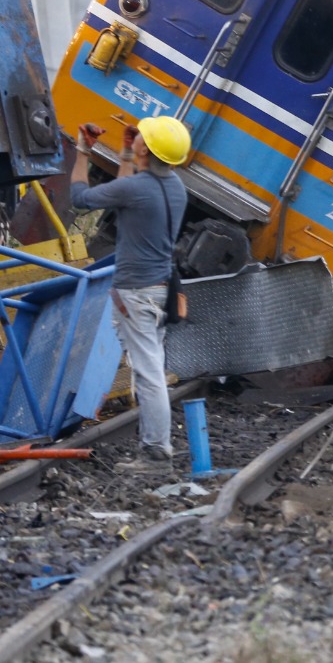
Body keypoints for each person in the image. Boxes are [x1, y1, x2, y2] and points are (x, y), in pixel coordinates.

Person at [70, 116, 191, 470]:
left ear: (147, 149)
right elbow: (128, 191)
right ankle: (156, 445)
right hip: (159, 291)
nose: (138, 136)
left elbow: (79, 199)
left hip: (137, 295)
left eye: (143, 137)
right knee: (149, 368)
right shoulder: (174, 187)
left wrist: (82, 152)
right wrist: (126, 154)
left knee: (149, 373)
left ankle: (156, 452)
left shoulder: (137, 189)